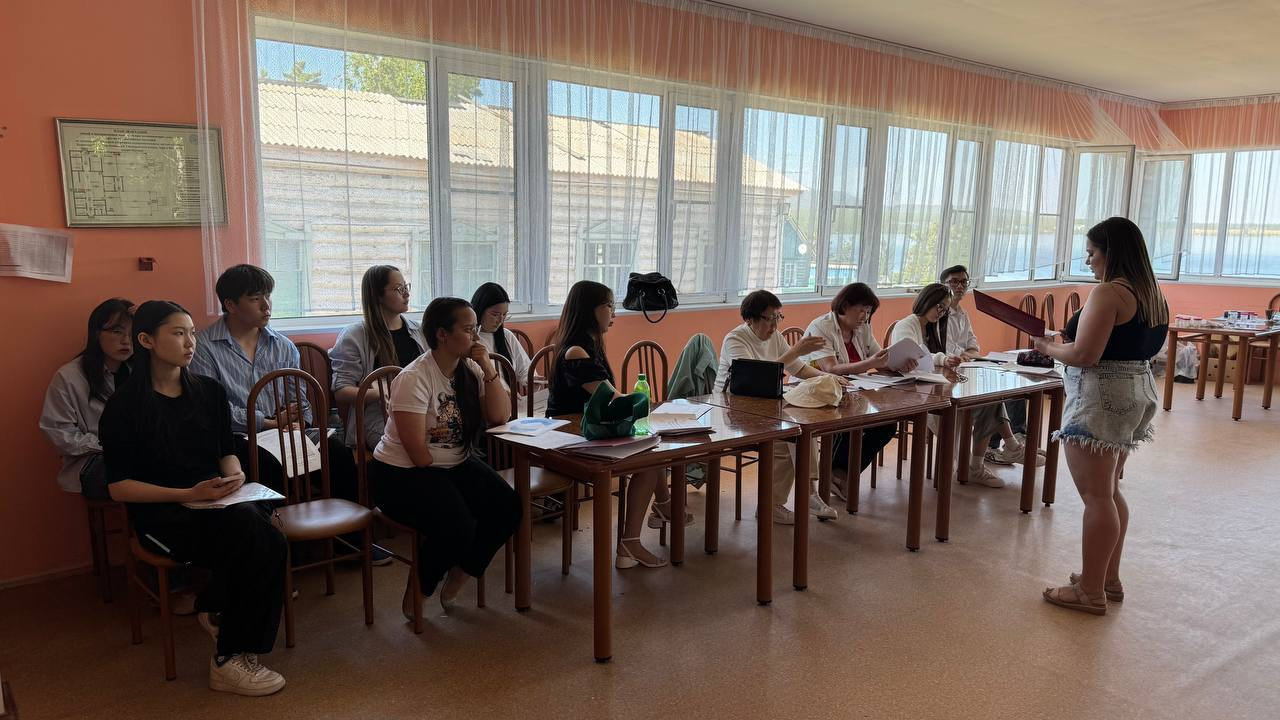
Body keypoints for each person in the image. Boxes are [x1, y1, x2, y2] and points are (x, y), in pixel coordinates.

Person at [100, 301, 287, 696]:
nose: (190, 343)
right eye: (178, 333)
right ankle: (227, 657)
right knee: (253, 536)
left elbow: (225, 450)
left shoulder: (209, 392)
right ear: (147, 340)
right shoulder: (123, 407)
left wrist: (235, 474)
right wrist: (189, 493)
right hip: (162, 515)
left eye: (191, 333)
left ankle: (222, 620)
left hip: (213, 503)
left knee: (266, 532)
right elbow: (119, 487)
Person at [192, 264, 384, 563]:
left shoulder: (282, 345)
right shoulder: (204, 347)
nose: (266, 305)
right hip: (237, 436)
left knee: (336, 451)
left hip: (283, 431)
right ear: (231, 304)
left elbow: (299, 399)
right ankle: (278, 550)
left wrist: (298, 421)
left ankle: (350, 542)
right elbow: (214, 410)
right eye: (255, 298)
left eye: (267, 296)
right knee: (265, 462)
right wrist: (268, 422)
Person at [1032, 217, 1167, 615]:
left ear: (1112, 252)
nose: (1088, 260)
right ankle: (1107, 577)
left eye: (1092, 252)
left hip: (1102, 395)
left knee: (1096, 496)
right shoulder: (1152, 293)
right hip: (1135, 390)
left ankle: (1090, 591)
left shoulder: (1109, 293)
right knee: (1108, 491)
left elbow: (1085, 355)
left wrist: (1047, 347)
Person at [369, 298, 520, 617]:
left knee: (508, 508)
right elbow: (418, 455)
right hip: (400, 473)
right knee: (457, 524)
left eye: (476, 329)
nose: (476, 337)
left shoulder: (470, 369)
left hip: (451, 463)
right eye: (468, 330)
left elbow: (500, 416)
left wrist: (488, 368)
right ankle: (421, 586)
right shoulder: (414, 377)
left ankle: (462, 573)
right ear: (442, 334)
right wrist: (457, 491)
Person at [546, 280, 684, 567]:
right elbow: (611, 399)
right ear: (589, 309)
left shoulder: (589, 345)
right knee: (649, 458)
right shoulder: (576, 351)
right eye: (608, 305)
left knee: (652, 446)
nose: (614, 313)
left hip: (585, 432)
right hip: (568, 439)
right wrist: (648, 404)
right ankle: (632, 542)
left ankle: (663, 507)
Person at [716, 289, 845, 523]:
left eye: (778, 318)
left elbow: (799, 368)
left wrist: (829, 378)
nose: (775, 325)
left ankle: (800, 496)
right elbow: (754, 378)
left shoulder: (774, 336)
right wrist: (796, 351)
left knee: (800, 429)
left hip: (766, 405)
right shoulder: (735, 339)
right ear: (750, 319)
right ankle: (786, 501)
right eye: (769, 318)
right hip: (732, 410)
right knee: (788, 438)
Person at [891, 284, 1006, 487]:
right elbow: (913, 357)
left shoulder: (934, 326)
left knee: (990, 400)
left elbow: (932, 356)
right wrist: (942, 359)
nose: (941, 312)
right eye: (939, 306)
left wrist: (946, 359)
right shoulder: (907, 325)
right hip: (913, 391)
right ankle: (965, 466)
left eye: (944, 309)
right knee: (955, 408)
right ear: (926, 301)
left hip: (935, 385)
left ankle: (976, 465)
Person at [801, 283, 897, 501]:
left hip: (853, 392)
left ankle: (839, 473)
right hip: (818, 391)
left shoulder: (863, 328)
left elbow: (878, 358)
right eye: (861, 310)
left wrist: (898, 363)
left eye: (869, 311)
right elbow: (830, 369)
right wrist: (870, 363)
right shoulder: (821, 327)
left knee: (887, 425)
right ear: (845, 306)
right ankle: (834, 474)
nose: (865, 316)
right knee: (850, 418)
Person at [937, 265, 1038, 466]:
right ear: (942, 285)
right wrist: (963, 355)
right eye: (954, 282)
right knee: (991, 396)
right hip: (948, 374)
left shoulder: (963, 314)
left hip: (966, 369)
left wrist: (965, 355)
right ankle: (1007, 445)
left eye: (964, 282)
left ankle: (1016, 439)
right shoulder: (938, 315)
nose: (959, 286)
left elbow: (974, 349)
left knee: (1010, 381)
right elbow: (946, 353)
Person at [40, 298, 134, 499]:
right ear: (96, 333)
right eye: (117, 331)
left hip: (138, 459)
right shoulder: (69, 376)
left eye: (133, 332)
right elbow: (59, 433)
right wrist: (108, 445)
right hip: (95, 463)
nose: (126, 340)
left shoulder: (141, 371)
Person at [330, 265, 424, 450]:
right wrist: (382, 393)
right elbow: (341, 391)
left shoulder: (418, 330)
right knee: (409, 447)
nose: (406, 294)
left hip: (420, 410)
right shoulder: (355, 335)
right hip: (380, 416)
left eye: (406, 287)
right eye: (399, 289)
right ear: (378, 295)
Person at [470, 282, 536, 395]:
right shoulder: (470, 340)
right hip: (488, 401)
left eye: (504, 314)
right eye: (495, 314)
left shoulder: (506, 335)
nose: (501, 320)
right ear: (479, 310)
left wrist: (532, 380)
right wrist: (503, 394)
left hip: (512, 401)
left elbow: (525, 369)